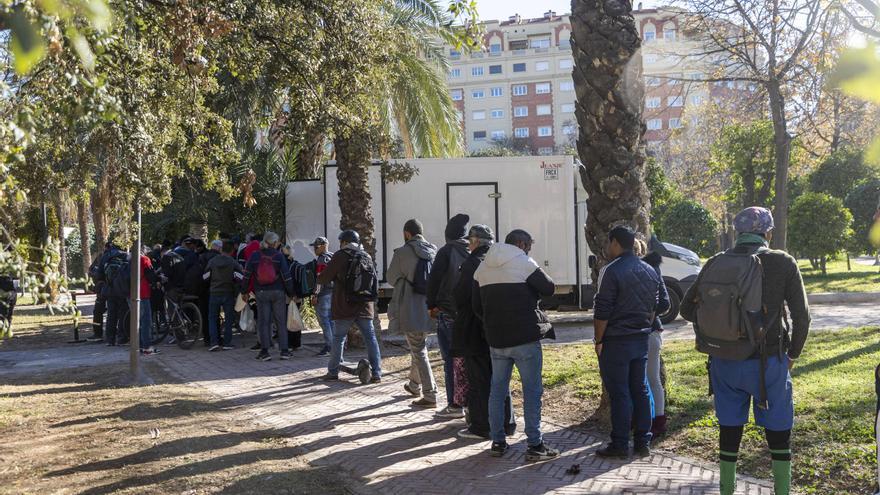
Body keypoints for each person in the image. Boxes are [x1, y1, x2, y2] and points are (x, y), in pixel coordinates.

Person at [681, 207, 810, 495]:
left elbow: (687, 308)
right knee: (778, 434)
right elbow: (803, 317)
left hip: (724, 362)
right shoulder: (782, 262)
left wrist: (723, 326)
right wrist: (793, 356)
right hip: (769, 363)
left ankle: (727, 490)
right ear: (768, 232)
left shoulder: (716, 262)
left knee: (729, 431)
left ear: (738, 233)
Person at [473, 229, 559, 461]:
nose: (529, 249)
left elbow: (476, 306)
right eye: (529, 245)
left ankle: (498, 442)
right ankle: (534, 445)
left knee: (497, 390)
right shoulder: (523, 261)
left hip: (496, 339)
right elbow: (549, 288)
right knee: (531, 391)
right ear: (521, 243)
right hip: (525, 338)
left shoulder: (482, 268)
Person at [592, 226, 664, 459]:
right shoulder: (650, 269)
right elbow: (654, 308)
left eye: (608, 243)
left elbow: (602, 310)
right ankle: (643, 441)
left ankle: (620, 443)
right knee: (640, 389)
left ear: (614, 242)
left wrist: (599, 339)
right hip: (641, 337)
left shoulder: (610, 270)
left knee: (620, 392)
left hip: (616, 340)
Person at [454, 225, 516, 440]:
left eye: (469, 241)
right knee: (500, 379)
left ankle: (481, 425)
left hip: (475, 330)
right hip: (499, 328)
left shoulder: (472, 263)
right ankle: (507, 423)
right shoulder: (501, 262)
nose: (468, 245)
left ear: (475, 241)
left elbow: (461, 297)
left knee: (479, 378)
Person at [317, 230, 382, 383]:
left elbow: (324, 278)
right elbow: (375, 282)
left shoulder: (340, 255)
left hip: (345, 305)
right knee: (370, 337)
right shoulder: (366, 256)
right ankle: (377, 373)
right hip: (365, 305)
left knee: (338, 338)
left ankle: (333, 371)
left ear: (345, 242)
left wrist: (320, 278)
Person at [387, 219, 439, 408]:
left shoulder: (402, 253)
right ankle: (414, 384)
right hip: (431, 307)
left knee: (418, 349)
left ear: (407, 234)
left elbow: (391, 277)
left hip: (410, 307)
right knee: (419, 346)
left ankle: (430, 393)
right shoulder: (434, 250)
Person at [427, 214, 471, 419]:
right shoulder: (472, 250)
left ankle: (455, 404)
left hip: (447, 311)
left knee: (450, 359)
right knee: (468, 359)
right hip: (469, 312)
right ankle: (470, 403)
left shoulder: (446, 252)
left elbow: (434, 280)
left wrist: (431, 305)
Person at [241, 231, 293, 361]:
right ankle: (284, 351)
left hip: (261, 292)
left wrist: (244, 291)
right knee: (280, 321)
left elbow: (247, 275)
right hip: (278, 292)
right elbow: (286, 276)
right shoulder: (279, 256)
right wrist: (291, 293)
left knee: (264, 322)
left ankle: (264, 352)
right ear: (274, 243)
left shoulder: (255, 256)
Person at [636, 239, 670, 437]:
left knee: (651, 378)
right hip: (644, 333)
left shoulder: (650, 269)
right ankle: (649, 419)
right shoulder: (650, 268)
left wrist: (650, 315)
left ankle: (656, 420)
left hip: (647, 333)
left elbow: (664, 302)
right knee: (645, 379)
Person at [204, 240, 243, 351]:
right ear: (231, 251)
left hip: (214, 292)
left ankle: (214, 342)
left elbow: (205, 277)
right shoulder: (232, 262)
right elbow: (240, 277)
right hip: (228, 292)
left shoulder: (212, 261)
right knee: (229, 318)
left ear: (221, 249)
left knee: (212, 318)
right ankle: (227, 342)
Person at [310, 237, 335, 357]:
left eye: (316, 247)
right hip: (334, 293)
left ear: (323, 246)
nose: (314, 249)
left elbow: (320, 280)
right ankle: (337, 345)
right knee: (332, 321)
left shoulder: (321, 260)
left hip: (324, 294)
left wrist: (315, 295)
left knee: (325, 321)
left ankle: (329, 346)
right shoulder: (333, 257)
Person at [101, 244, 129, 346]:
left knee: (111, 315)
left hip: (110, 289)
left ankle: (110, 339)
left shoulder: (106, 256)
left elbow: (100, 274)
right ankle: (121, 338)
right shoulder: (126, 256)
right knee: (123, 314)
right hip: (123, 290)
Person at [86, 243, 113, 342]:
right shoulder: (122, 255)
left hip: (102, 289)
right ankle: (114, 334)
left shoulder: (102, 256)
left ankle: (98, 334)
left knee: (97, 312)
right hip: (117, 289)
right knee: (114, 312)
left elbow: (92, 271)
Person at [136, 246, 160, 355]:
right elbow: (151, 275)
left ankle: (140, 346)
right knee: (146, 321)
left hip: (131, 294)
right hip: (143, 292)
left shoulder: (129, 260)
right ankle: (146, 347)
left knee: (138, 321)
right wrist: (158, 281)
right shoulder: (144, 259)